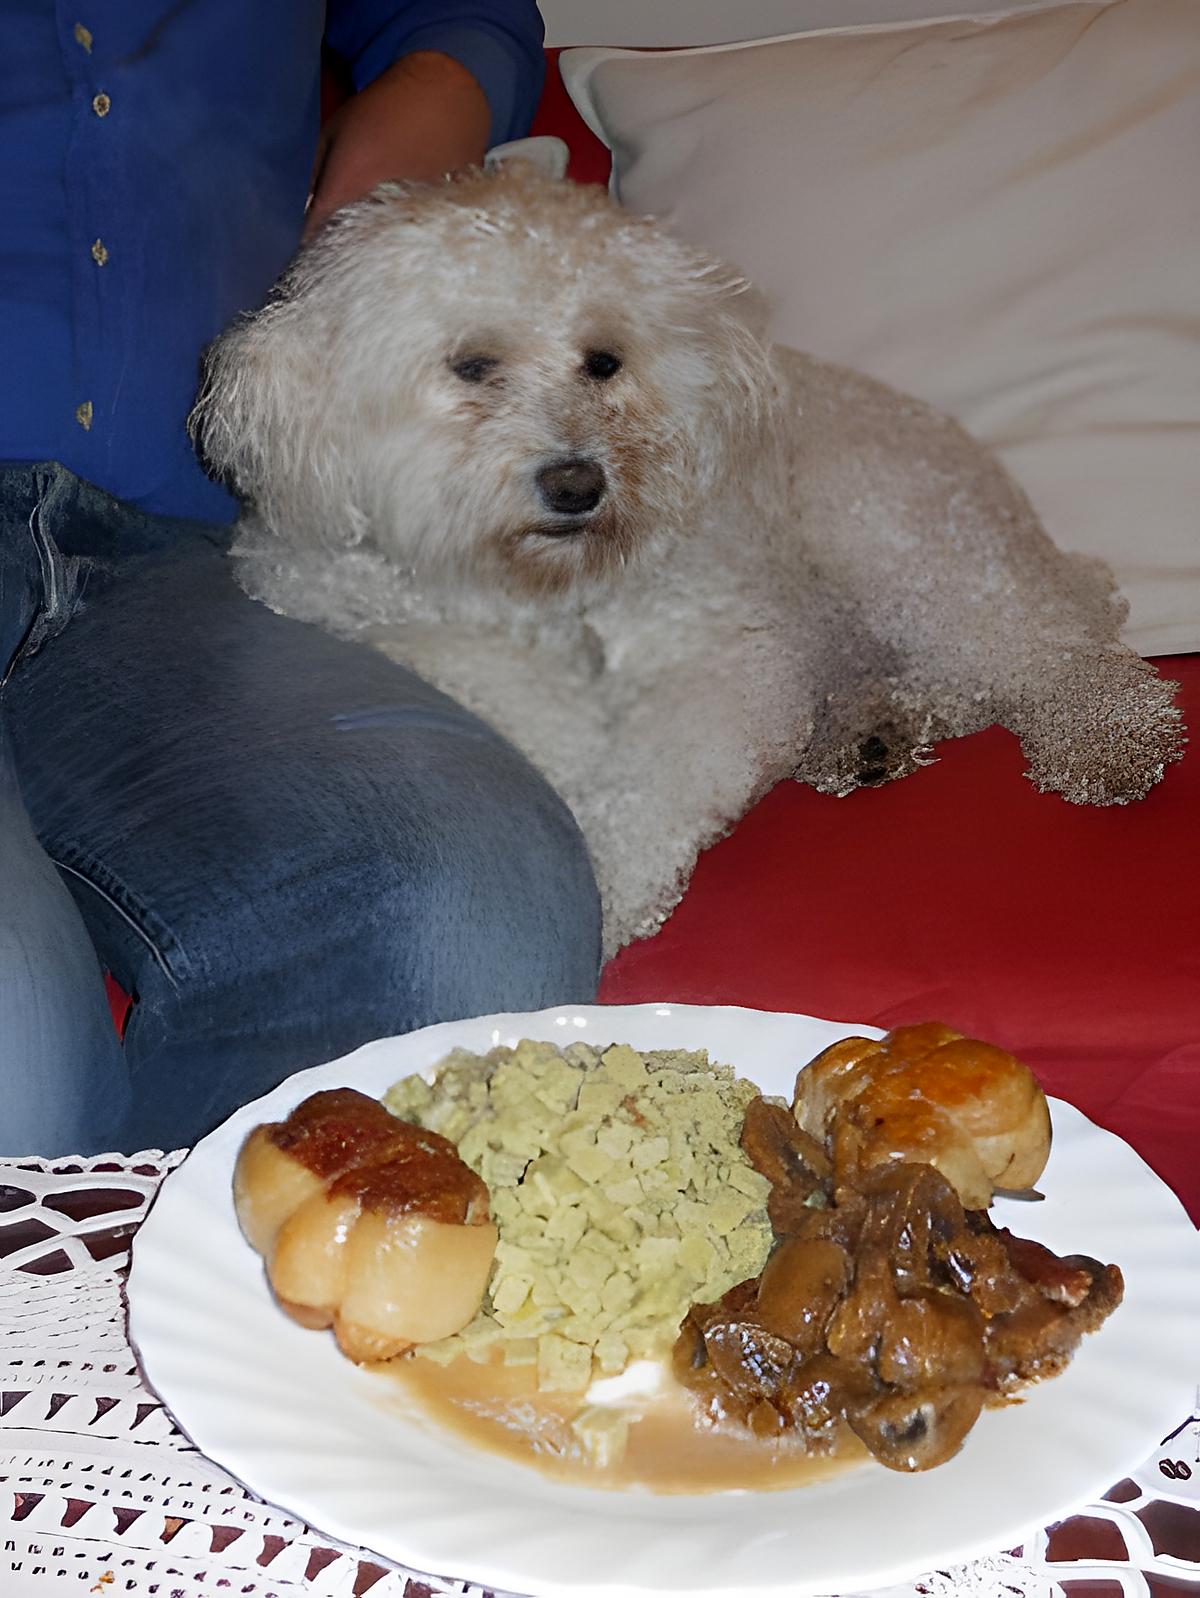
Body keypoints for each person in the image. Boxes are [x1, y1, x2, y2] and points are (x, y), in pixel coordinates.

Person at [0, 2, 602, 1157]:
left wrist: (415, 130)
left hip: (189, 556)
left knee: (469, 904)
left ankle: (219, 1321)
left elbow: (460, 15)